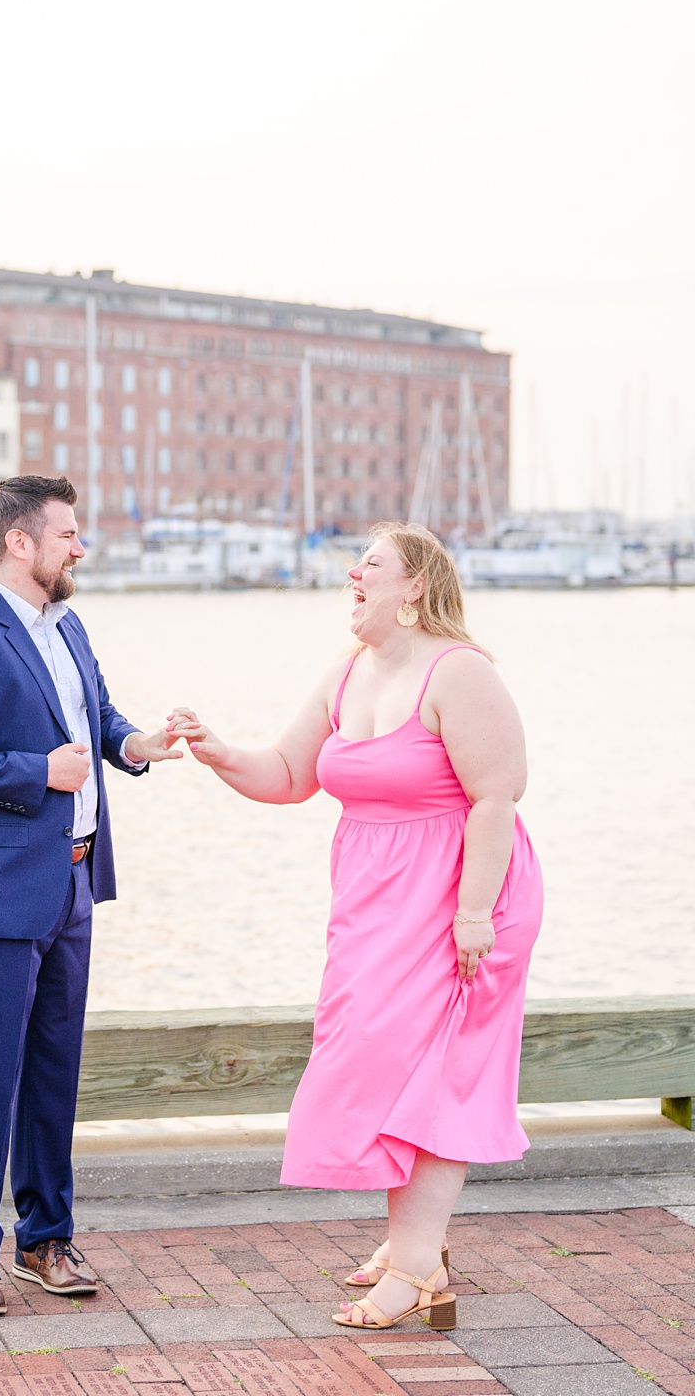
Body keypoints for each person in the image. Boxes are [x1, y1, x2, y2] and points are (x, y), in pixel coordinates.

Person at [168, 522, 538, 1331]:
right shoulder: (347, 672)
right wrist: (219, 751)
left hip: (460, 896)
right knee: (374, 1056)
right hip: (372, 900)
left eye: (370, 564)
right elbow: (291, 773)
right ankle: (418, 1245)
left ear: (415, 588)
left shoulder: (460, 672)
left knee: (434, 1074)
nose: (352, 573)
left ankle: (416, 1265)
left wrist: (473, 914)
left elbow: (498, 798)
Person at [0, 474, 182, 1317]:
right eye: (67, 532)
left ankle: (46, 1240)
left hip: (72, 883)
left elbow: (93, 717)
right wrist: (40, 772)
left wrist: (137, 742)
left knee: (54, 1075)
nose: (79, 546)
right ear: (19, 543)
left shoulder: (69, 625)